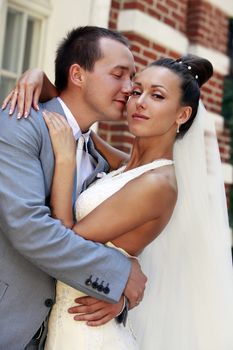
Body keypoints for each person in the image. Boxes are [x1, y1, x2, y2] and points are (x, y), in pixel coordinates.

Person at [6, 52, 233, 349]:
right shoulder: (129, 166)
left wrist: (65, 162)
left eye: (157, 96)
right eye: (137, 91)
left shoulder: (157, 183)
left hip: (89, 334)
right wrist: (37, 76)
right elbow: (78, 127)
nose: (140, 102)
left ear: (182, 115)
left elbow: (66, 241)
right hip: (69, 322)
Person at [0, 26, 148, 350]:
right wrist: (118, 273)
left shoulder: (101, 159)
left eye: (132, 78)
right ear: (78, 75)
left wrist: (116, 297)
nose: (129, 88)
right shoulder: (19, 125)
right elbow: (29, 228)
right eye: (118, 75)